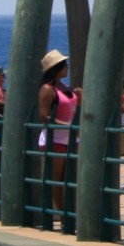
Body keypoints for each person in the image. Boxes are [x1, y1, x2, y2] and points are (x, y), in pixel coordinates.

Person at [36, 50, 81, 221]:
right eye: (64, 66)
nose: (67, 68)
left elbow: (72, 108)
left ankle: (69, 211)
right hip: (54, 139)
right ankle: (62, 214)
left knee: (70, 177)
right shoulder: (47, 89)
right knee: (57, 178)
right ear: (56, 69)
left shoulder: (65, 88)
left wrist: (79, 97)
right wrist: (69, 126)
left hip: (71, 139)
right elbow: (44, 116)